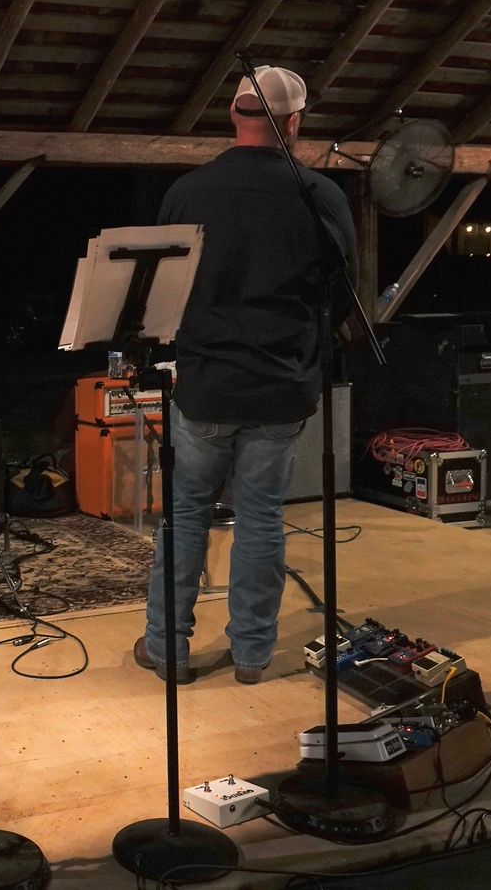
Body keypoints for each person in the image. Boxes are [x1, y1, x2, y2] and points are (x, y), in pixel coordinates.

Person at [135, 65, 356, 686]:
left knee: (185, 517)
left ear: (233, 114)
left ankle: (167, 648)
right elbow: (341, 296)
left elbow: (162, 290)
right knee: (261, 519)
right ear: (295, 122)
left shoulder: (188, 192)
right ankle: (253, 656)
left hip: (207, 382)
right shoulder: (320, 194)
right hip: (282, 386)